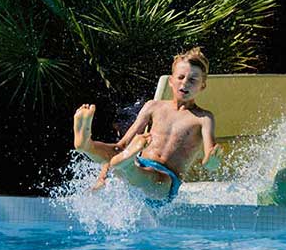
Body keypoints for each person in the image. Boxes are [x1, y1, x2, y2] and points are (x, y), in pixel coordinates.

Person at [72, 47, 222, 206]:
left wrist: (210, 162)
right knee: (117, 152)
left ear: (202, 86)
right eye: (181, 77)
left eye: (193, 80)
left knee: (151, 177)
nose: (185, 83)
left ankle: (126, 164)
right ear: (171, 81)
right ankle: (85, 144)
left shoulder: (203, 118)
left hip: (165, 179)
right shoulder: (153, 107)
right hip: (136, 162)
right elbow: (121, 146)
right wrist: (102, 178)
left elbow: (209, 154)